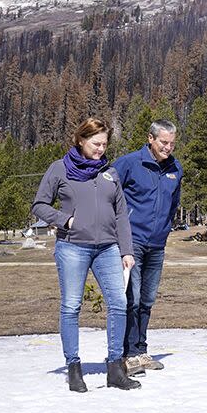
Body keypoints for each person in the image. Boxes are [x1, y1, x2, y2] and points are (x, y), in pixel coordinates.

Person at [32, 117, 141, 393]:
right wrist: (63, 220)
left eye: (104, 144)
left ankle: (115, 368)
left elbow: (121, 215)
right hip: (72, 248)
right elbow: (39, 205)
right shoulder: (59, 169)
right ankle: (74, 368)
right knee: (71, 307)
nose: (101, 149)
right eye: (95, 143)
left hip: (107, 248)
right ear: (81, 140)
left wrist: (126, 250)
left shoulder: (110, 174)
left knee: (118, 302)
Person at [113, 119, 183, 377]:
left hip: (157, 244)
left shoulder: (176, 168)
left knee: (148, 299)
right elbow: (109, 193)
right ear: (150, 139)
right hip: (132, 242)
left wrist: (166, 228)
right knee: (132, 298)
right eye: (164, 142)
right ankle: (127, 354)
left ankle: (141, 349)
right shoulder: (130, 163)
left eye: (172, 143)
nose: (168, 148)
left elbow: (173, 203)